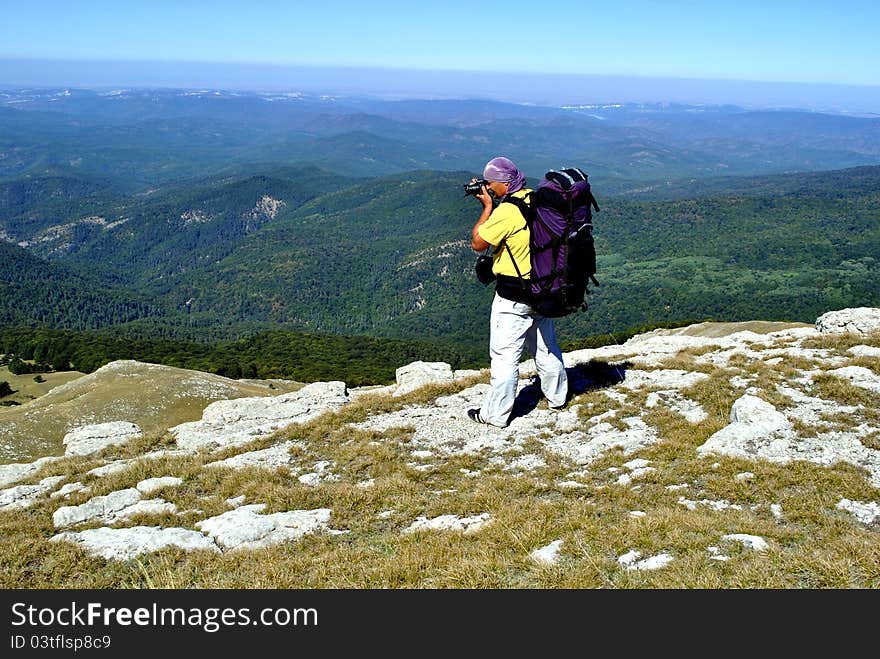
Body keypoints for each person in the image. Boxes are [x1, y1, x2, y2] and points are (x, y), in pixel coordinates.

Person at [467, 156, 569, 428]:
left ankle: (495, 416)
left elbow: (478, 243)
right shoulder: (536, 199)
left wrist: (487, 206)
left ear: (502, 183)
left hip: (513, 297)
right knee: (546, 349)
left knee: (504, 357)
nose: (487, 186)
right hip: (544, 288)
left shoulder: (507, 211)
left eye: (490, 182)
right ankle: (557, 398)